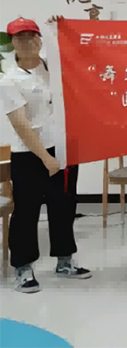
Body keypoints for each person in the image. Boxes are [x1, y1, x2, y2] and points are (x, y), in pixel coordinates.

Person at [1, 17, 91, 294]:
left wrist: (60, 27)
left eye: (32, 35)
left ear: (40, 40)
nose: (27, 41)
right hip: (29, 154)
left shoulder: (55, 68)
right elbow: (20, 123)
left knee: (64, 205)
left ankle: (65, 260)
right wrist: (45, 158)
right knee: (26, 211)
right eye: (20, 37)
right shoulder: (9, 80)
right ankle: (23, 267)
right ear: (13, 43)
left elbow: (83, 54)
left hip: (62, 148)